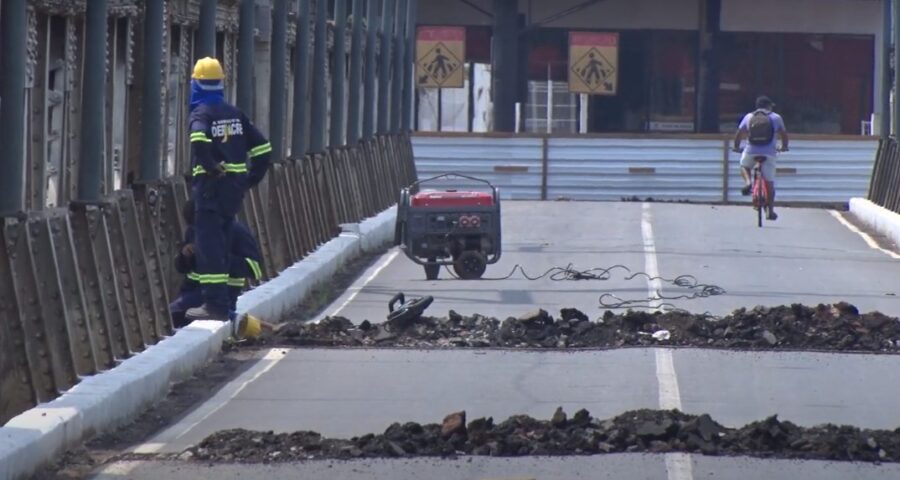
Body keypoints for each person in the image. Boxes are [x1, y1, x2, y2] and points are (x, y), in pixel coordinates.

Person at [185, 57, 271, 321]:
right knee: (223, 239)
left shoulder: (202, 113)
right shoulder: (235, 113)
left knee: (209, 245)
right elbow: (263, 148)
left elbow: (198, 138)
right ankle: (225, 301)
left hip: (210, 190)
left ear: (196, 84)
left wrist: (210, 166)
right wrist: (250, 179)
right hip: (233, 192)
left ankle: (215, 305)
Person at [170, 199, 264, 328]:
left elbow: (255, 269)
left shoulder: (236, 232)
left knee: (174, 314)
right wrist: (185, 256)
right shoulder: (193, 232)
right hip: (191, 291)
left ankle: (234, 319)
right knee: (175, 318)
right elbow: (182, 268)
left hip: (223, 293)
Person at [732, 95, 789, 221]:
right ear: (769, 106)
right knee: (769, 182)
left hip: (751, 150)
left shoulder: (749, 117)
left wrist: (736, 147)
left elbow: (739, 133)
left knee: (744, 166)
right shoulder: (776, 117)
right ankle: (770, 211)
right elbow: (784, 135)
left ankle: (748, 182)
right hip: (769, 153)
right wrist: (784, 147)